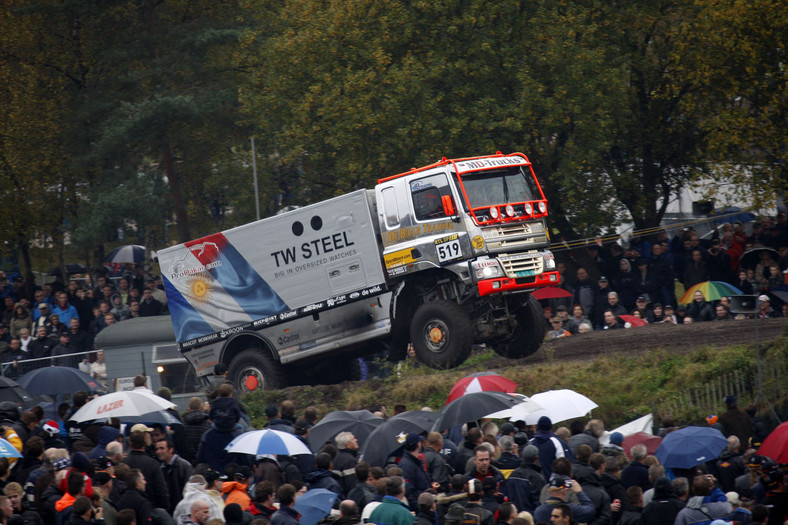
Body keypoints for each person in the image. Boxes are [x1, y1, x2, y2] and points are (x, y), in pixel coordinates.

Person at [155, 436, 193, 514]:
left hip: (181, 510)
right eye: (157, 449)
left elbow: (189, 490)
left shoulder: (184, 466)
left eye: (162, 448)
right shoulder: (160, 468)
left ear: (171, 449)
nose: (158, 451)